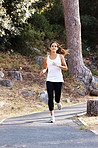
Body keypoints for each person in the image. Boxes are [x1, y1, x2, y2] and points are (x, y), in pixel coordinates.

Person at [40, 41, 68, 123]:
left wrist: (58, 65)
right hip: (50, 80)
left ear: (57, 48)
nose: (53, 47)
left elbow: (65, 68)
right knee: (50, 98)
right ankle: (52, 116)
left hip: (59, 80)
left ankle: (58, 102)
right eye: (52, 46)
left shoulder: (60, 57)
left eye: (55, 46)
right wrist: (43, 71)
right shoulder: (46, 58)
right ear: (50, 48)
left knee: (57, 97)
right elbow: (45, 67)